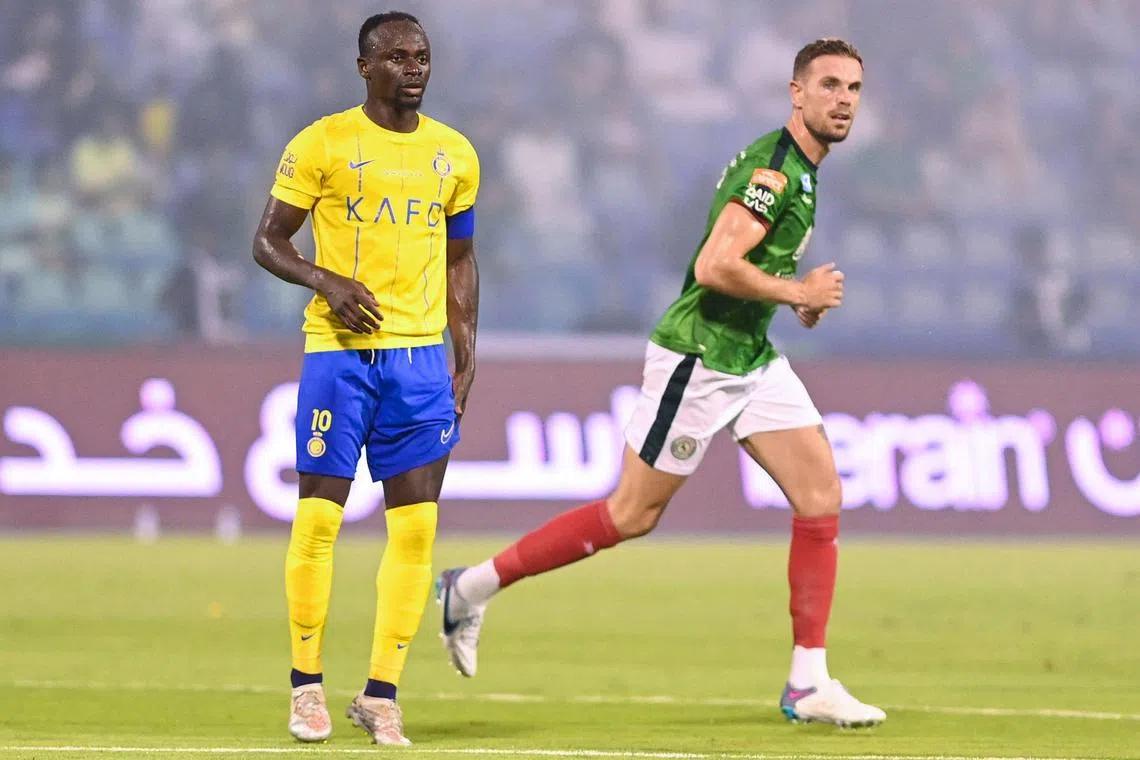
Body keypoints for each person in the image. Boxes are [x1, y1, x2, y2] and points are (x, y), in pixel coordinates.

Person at [436, 38, 885, 728]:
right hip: (699, 358)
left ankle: (808, 682)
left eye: (853, 88)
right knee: (631, 515)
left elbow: (745, 267)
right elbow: (714, 265)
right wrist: (798, 289)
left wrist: (785, 298)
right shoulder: (773, 173)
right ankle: (470, 587)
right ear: (797, 93)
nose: (843, 100)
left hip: (750, 355)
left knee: (821, 492)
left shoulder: (801, 169)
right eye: (828, 85)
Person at [251, 11, 479, 746]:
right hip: (339, 356)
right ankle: (306, 688)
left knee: (416, 531)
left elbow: (460, 259)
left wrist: (466, 349)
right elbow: (268, 240)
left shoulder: (455, 155)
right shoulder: (322, 143)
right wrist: (326, 280)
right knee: (318, 521)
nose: (414, 69)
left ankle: (381, 695)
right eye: (398, 57)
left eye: (423, 57)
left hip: (420, 363)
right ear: (365, 66)